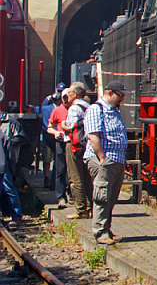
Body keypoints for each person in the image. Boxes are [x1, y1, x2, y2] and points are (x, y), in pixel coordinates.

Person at [83, 81, 128, 245]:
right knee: (102, 196)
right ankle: (100, 232)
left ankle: (107, 228)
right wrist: (102, 158)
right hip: (104, 160)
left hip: (116, 160)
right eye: (119, 95)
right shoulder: (96, 109)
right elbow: (93, 136)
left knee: (111, 197)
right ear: (110, 93)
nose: (121, 99)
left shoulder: (114, 111)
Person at [61, 82, 92, 220]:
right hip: (87, 144)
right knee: (87, 177)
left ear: (75, 94)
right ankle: (92, 207)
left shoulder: (74, 108)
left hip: (74, 145)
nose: (67, 95)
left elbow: (73, 128)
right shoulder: (88, 106)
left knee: (75, 177)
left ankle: (81, 209)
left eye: (69, 93)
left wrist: (63, 126)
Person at [0, 114, 25, 223]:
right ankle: (17, 215)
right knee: (10, 190)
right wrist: (12, 167)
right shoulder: (3, 137)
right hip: (3, 167)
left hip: (3, 167)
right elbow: (10, 154)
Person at [47, 89, 70, 208]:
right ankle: (61, 196)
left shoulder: (75, 109)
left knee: (73, 170)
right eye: (65, 97)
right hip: (61, 141)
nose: (67, 99)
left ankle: (72, 194)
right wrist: (55, 132)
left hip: (73, 142)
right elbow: (49, 127)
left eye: (68, 97)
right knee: (60, 169)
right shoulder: (57, 110)